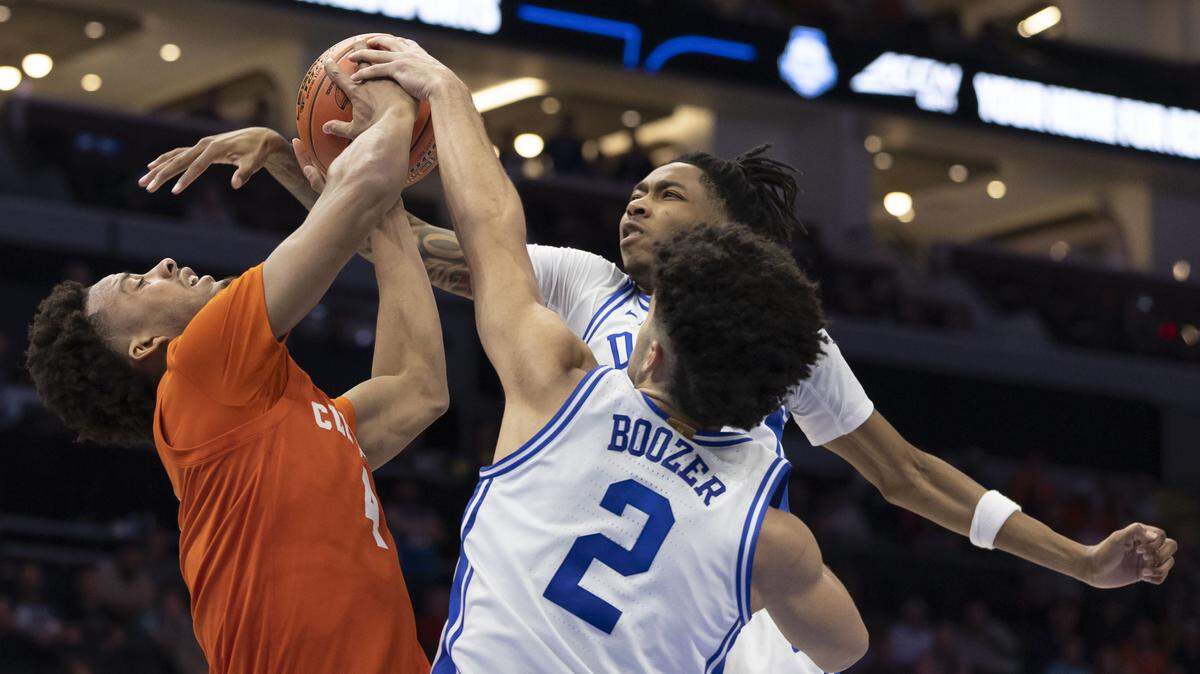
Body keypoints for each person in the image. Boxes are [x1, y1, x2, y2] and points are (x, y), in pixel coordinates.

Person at [153, 39, 1179, 674]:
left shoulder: (780, 340)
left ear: (729, 234)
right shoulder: (585, 280)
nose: (637, 200)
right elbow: (418, 244)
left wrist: (1078, 559)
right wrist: (307, 173)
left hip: (712, 608)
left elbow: (911, 477)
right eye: (638, 185)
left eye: (669, 191)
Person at [344, 36, 867, 672]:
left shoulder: (559, 386)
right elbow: (845, 647)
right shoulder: (771, 535)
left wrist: (445, 93)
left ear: (648, 358)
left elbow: (490, 227)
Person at [25, 54, 444, 674]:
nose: (162, 266)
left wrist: (364, 194)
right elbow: (361, 188)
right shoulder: (195, 367)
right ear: (146, 348)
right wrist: (398, 99)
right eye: (139, 284)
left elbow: (417, 389)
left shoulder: (267, 424)